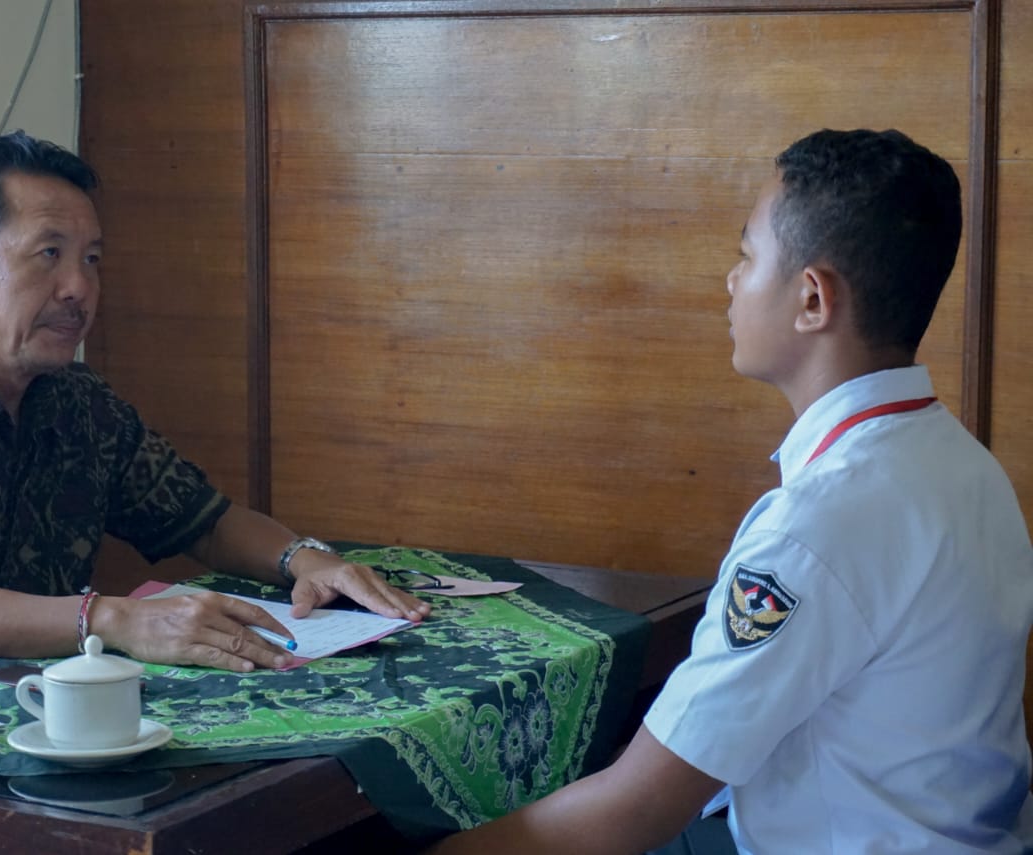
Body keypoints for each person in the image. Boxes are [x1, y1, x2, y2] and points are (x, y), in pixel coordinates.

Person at [429, 129, 1033, 853]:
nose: (731, 280)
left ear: (812, 298)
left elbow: (636, 809)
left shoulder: (816, 526)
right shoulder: (964, 464)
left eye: (746, 256)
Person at [0, 131, 430, 686]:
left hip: (44, 721)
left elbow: (205, 522)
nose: (79, 288)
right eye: (49, 254)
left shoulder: (80, 403)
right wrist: (111, 617)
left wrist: (307, 559)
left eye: (91, 259)